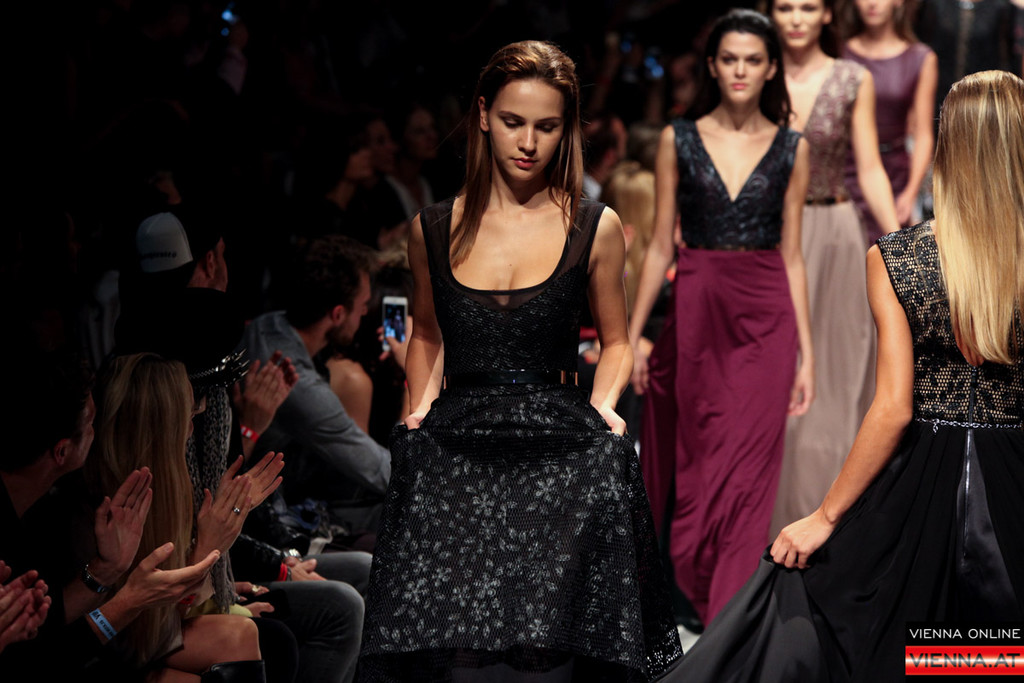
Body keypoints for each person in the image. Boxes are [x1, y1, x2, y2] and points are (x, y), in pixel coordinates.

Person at [671, 69, 1024, 683]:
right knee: (999, 653)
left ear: (947, 147)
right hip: (1012, 480)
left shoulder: (898, 258)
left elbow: (893, 408)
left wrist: (826, 516)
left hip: (922, 490)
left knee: (904, 644)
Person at [358, 40, 682, 681]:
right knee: (443, 634)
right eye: (513, 122)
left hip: (556, 436)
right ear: (483, 115)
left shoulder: (595, 224)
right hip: (461, 436)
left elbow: (616, 342)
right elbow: (427, 336)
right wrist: (416, 411)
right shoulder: (432, 227)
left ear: (567, 130)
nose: (528, 142)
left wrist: (603, 406)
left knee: (608, 469)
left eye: (547, 126)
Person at [628, 10, 813, 627]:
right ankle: (698, 601)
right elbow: (659, 245)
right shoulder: (677, 139)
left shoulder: (793, 148)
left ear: (771, 69)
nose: (740, 71)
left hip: (767, 316)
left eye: (752, 60)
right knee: (700, 471)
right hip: (699, 310)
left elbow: (793, 254)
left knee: (749, 473)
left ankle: (727, 625)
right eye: (729, 59)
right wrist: (634, 334)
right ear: (712, 65)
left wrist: (807, 354)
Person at [767, 0, 901, 536]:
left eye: (808, 7)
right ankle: (764, 527)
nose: (796, 18)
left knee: (835, 382)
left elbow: (869, 167)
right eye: (784, 7)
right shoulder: (755, 73)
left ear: (826, 15)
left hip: (836, 236)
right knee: (776, 379)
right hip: (769, 238)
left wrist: (902, 242)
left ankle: (829, 522)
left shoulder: (851, 79)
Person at [86, 353, 280, 680]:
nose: (194, 427)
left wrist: (214, 539)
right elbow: (141, 634)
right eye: (187, 415)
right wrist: (209, 545)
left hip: (144, 635)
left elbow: (175, 609)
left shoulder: (168, 485)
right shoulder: (106, 501)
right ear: (157, 424)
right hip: (110, 648)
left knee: (261, 635)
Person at [840, 0, 938, 243]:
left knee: (890, 251)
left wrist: (911, 192)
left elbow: (923, 134)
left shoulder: (920, 58)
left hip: (895, 172)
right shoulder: (839, 52)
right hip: (844, 168)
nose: (872, 3)